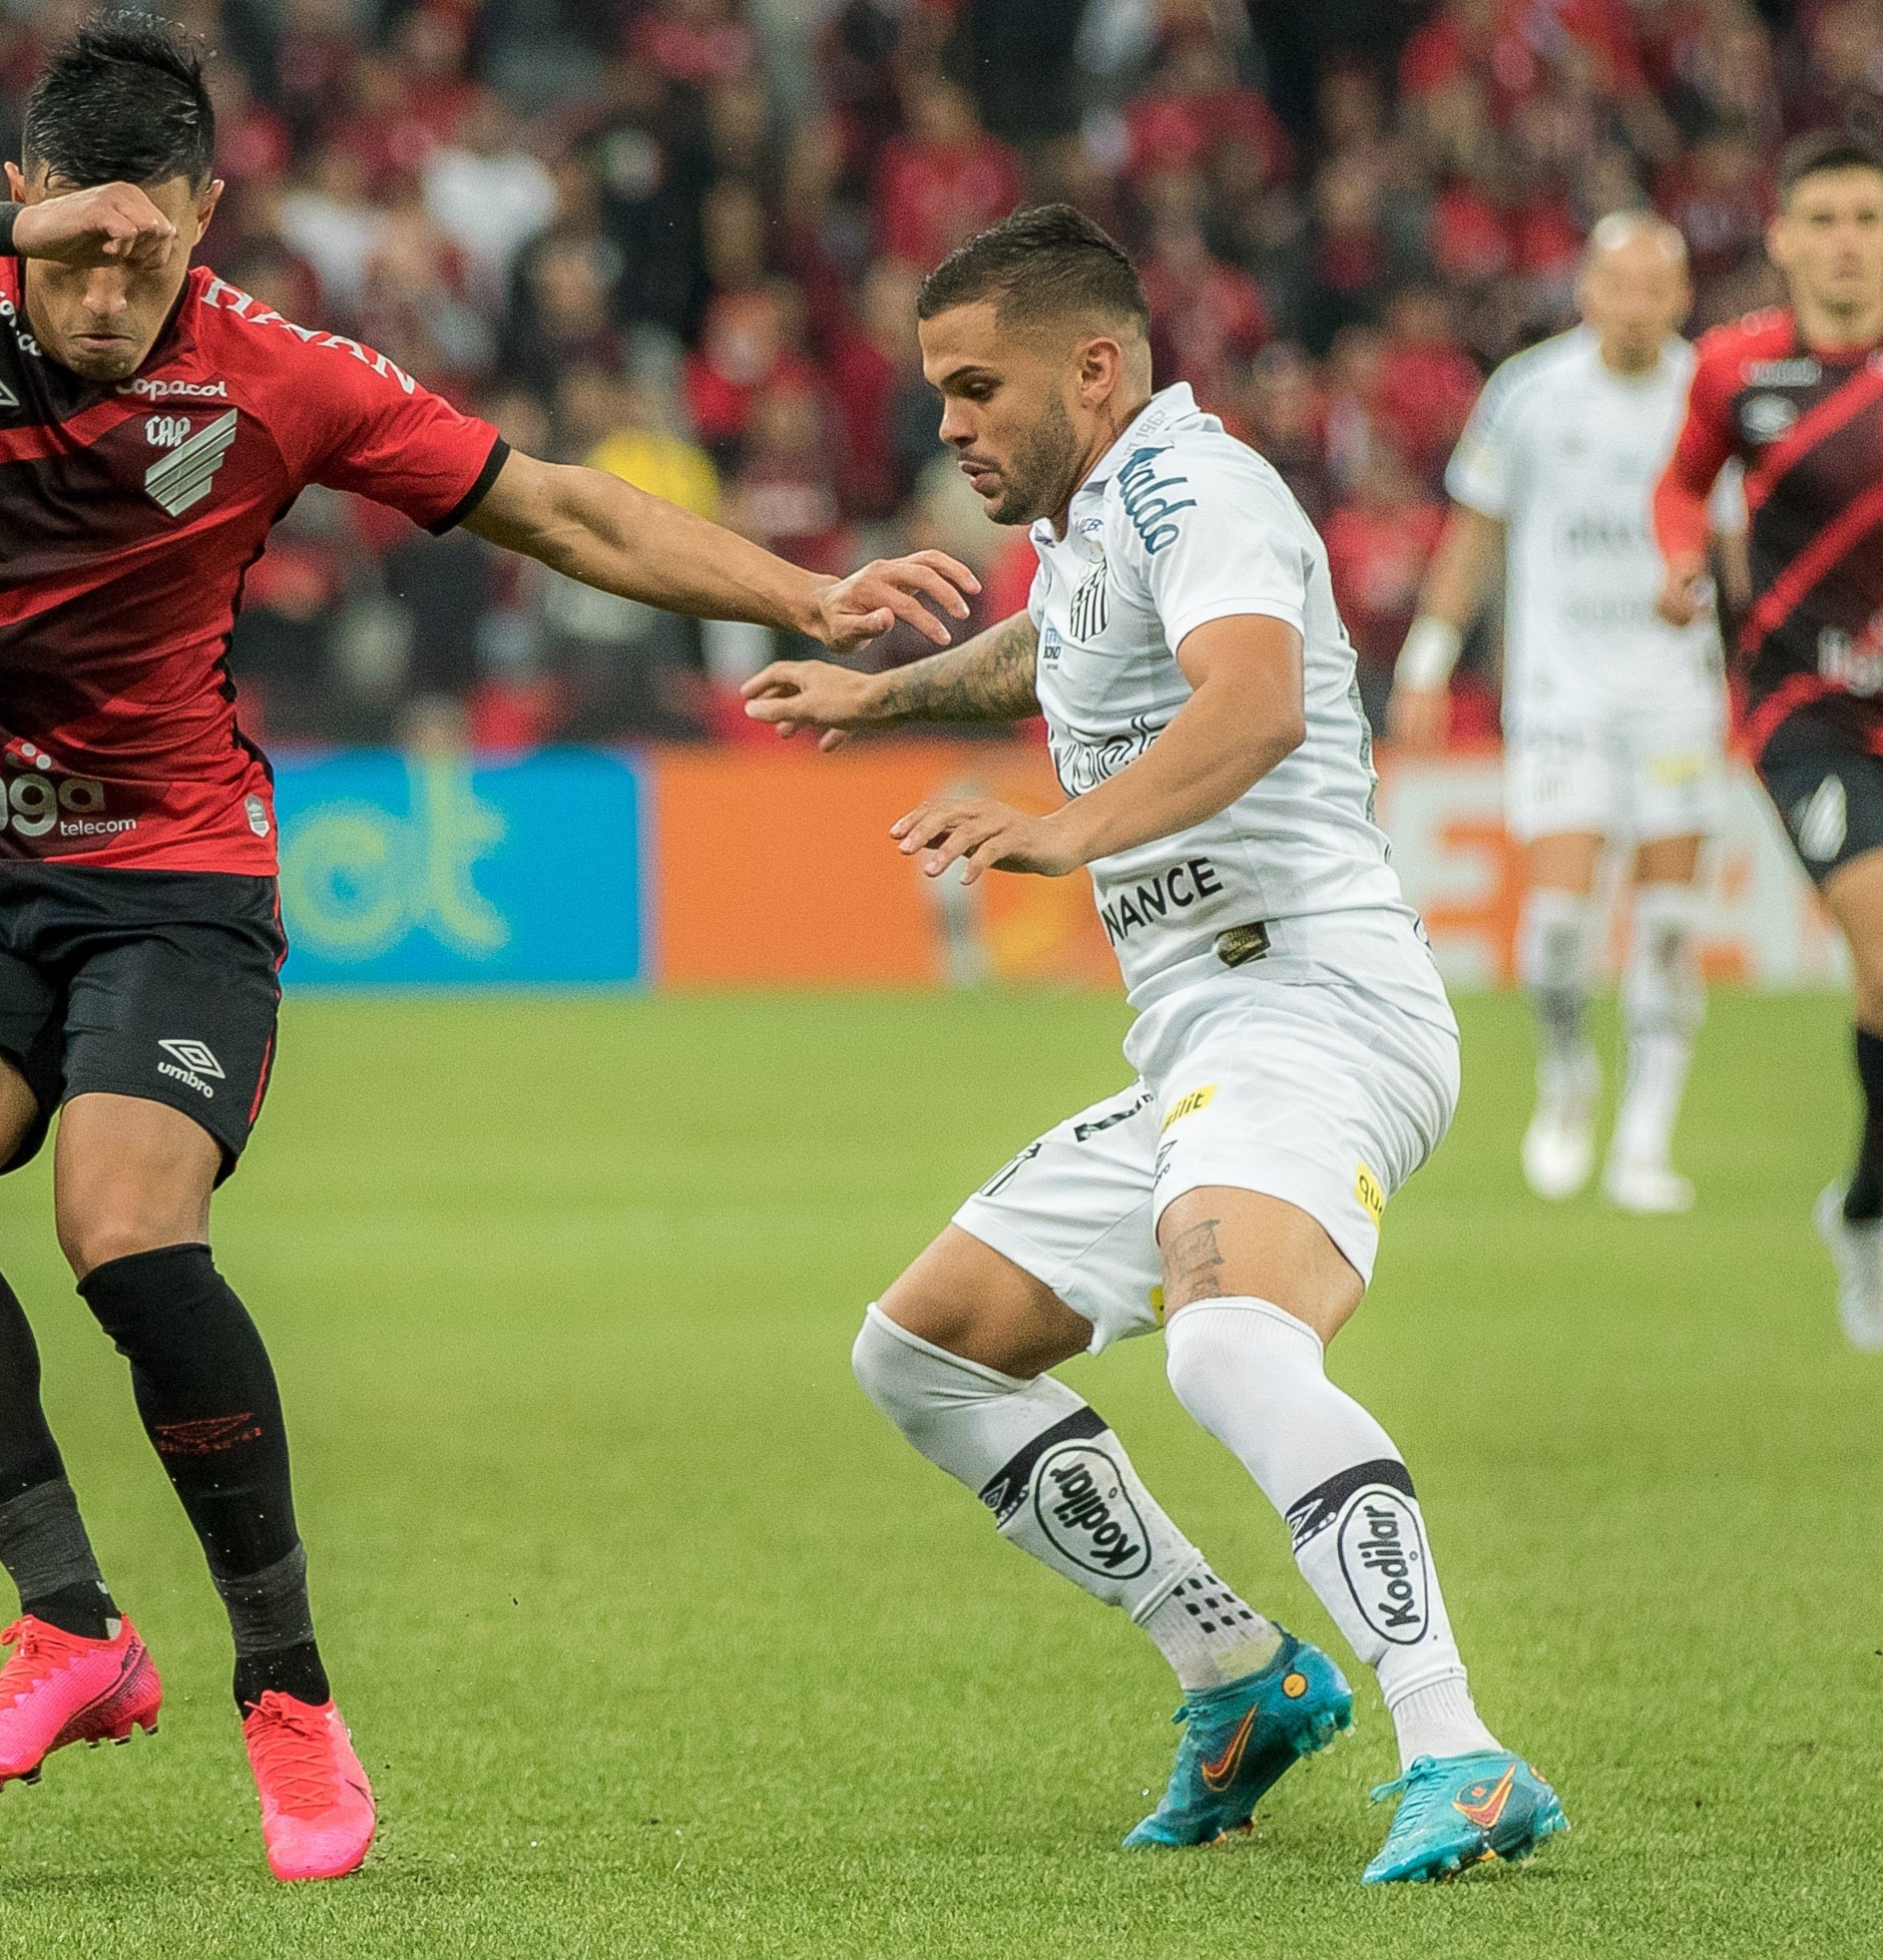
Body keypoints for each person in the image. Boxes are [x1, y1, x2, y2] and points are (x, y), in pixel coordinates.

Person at [0, 10, 972, 1884]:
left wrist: (802, 587)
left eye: (149, 245)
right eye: (76, 241)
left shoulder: (272, 374)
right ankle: (70, 1627)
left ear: (206, 212)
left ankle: (286, 1693)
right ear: (20, 202)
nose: (109, 286)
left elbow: (549, 501)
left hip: (174, 884)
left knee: (124, 1234)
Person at [739, 206, 1565, 1884]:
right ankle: (1233, 1668)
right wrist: (875, 698)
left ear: (1095, 366)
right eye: (937, 391)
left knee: (1226, 1346)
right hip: (1198, 1039)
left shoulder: (1200, 490)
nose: (948, 423)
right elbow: (1047, 657)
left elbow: (1248, 704)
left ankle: (1459, 1746)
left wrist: (1065, 829)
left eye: (978, 387)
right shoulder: (1096, 518)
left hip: (1313, 1003)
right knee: (923, 1349)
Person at [1391, 215, 1725, 1215]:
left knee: (1667, 926)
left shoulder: (1710, 393)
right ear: (1585, 292)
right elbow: (1472, 533)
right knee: (1557, 930)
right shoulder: (1527, 394)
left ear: (1678, 297)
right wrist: (1426, 653)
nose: (1633, 305)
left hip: (1674, 688)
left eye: (1652, 288)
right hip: (1561, 693)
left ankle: (1642, 1138)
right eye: (1615, 286)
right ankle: (1568, 1076)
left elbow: (1746, 546)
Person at [1654, 132, 1883, 1349]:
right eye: (1827, 218)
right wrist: (1680, 560)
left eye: (1868, 217)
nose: (1849, 239)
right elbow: (1680, 486)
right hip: (1805, 713)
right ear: (1784, 237)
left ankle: (1860, 1206)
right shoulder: (1732, 368)